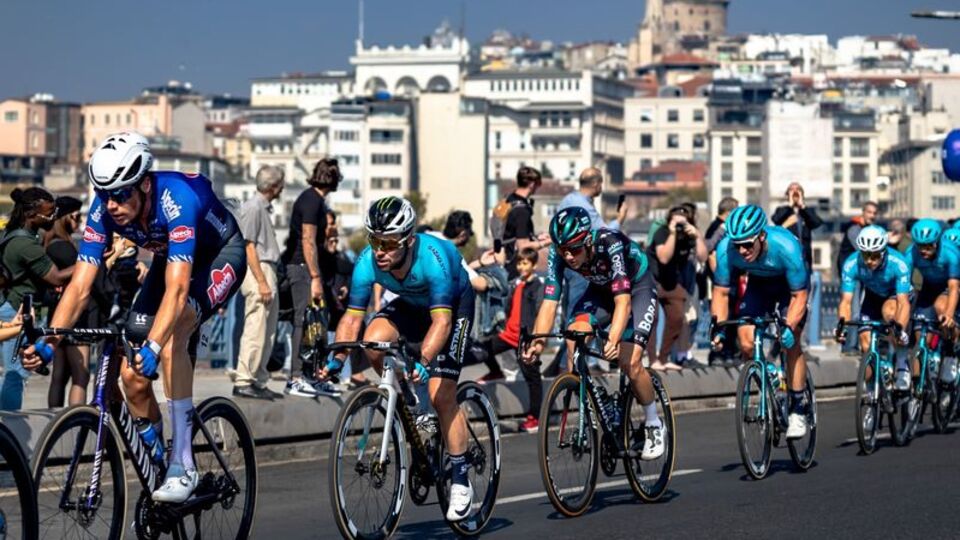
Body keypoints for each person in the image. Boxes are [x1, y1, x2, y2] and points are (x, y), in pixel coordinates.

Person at [22, 131, 246, 504]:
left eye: (120, 194)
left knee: (172, 338)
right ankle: (157, 459)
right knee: (132, 378)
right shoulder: (104, 208)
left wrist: (155, 346)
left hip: (220, 255)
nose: (111, 204)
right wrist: (51, 340)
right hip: (170, 259)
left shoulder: (176, 199)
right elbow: (79, 286)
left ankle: (183, 464)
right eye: (103, 193)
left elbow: (178, 292)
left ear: (143, 184)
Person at [317, 197, 476, 522]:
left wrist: (424, 360)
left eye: (389, 243)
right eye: (375, 241)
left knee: (441, 395)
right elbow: (353, 317)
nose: (380, 250)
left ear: (409, 240)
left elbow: (442, 323)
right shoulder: (368, 261)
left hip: (453, 307)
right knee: (373, 341)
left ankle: (461, 479)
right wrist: (338, 358)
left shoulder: (432, 258)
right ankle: (406, 399)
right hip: (412, 305)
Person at [523, 206, 665, 460]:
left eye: (574, 249)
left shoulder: (610, 243)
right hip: (601, 291)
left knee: (630, 362)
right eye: (563, 249)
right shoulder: (559, 252)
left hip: (636, 289)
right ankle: (591, 408)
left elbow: (623, 302)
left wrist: (613, 338)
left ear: (588, 240)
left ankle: (654, 423)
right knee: (572, 338)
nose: (568, 256)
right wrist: (538, 343)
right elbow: (549, 303)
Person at [710, 204, 812, 438]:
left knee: (790, 340)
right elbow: (721, 293)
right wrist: (719, 328)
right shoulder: (726, 249)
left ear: (762, 236)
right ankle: (770, 374)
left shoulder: (786, 247)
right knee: (746, 342)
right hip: (758, 285)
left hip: (790, 288)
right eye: (738, 245)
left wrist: (789, 327)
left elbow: (799, 296)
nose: (742, 250)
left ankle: (798, 408)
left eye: (748, 244)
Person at [0, 187, 74, 410]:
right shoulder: (25, 245)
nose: (53, 217)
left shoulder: (19, 235)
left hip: (21, 309)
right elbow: (56, 277)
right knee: (15, 374)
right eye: (49, 213)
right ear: (32, 214)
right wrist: (89, 263)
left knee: (20, 371)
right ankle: (9, 423)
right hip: (16, 311)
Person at [281, 158, 340, 398]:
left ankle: (313, 376)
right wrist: (315, 276)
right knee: (303, 321)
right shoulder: (311, 201)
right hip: (302, 267)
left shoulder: (316, 200)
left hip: (309, 268)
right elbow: (307, 239)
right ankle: (295, 378)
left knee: (317, 324)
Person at [472, 247, 544, 432]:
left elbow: (540, 312)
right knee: (482, 347)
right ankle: (496, 371)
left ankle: (535, 417)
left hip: (525, 339)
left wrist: (536, 339)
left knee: (532, 377)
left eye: (525, 263)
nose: (521, 267)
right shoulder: (515, 285)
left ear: (534, 265)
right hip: (508, 334)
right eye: (519, 263)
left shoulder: (538, 286)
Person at [43, 196, 104, 407]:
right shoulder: (63, 247)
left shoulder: (52, 244)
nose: (79, 222)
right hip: (74, 316)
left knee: (59, 375)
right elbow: (83, 275)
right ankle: (76, 418)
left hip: (57, 314)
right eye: (76, 217)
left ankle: (55, 418)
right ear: (65, 218)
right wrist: (98, 260)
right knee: (81, 376)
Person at [835, 225, 913, 391]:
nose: (869, 261)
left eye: (875, 255)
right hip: (873, 296)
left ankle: (901, 363)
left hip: (896, 295)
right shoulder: (851, 264)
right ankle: (872, 393)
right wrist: (842, 326)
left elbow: (904, 303)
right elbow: (846, 302)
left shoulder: (898, 263)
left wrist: (900, 329)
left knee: (889, 313)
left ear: (883, 252)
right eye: (865, 255)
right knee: (865, 342)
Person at [234, 165, 285, 400]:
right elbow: (249, 246)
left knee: (267, 329)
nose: (282, 188)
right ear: (273, 186)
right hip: (259, 270)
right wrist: (262, 281)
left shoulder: (260, 207)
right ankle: (245, 379)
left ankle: (258, 379)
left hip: (265, 269)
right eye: (280, 184)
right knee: (256, 327)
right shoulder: (254, 208)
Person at [646, 205, 707, 371]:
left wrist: (697, 236)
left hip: (671, 281)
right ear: (669, 221)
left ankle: (663, 358)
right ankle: (653, 360)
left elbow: (703, 257)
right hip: (650, 279)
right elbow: (664, 258)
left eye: (683, 222)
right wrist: (673, 233)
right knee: (651, 319)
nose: (680, 226)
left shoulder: (690, 236)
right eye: (676, 221)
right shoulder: (662, 232)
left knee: (677, 318)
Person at [906, 219, 960, 383]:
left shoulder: (951, 253)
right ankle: (917, 386)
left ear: (937, 242)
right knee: (921, 337)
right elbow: (904, 283)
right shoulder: (911, 253)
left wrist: (949, 315)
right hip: (928, 288)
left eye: (929, 246)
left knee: (942, 308)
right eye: (920, 246)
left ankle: (951, 352)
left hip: (949, 286)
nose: (924, 250)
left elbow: (953, 288)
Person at [705, 197, 739, 367]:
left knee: (732, 316)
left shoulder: (726, 227)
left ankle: (729, 351)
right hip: (721, 281)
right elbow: (709, 251)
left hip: (731, 280)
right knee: (721, 316)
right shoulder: (717, 227)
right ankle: (717, 353)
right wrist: (719, 275)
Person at [502, 166, 551, 280]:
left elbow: (512, 233)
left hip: (503, 262)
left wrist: (536, 238)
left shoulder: (509, 200)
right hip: (514, 269)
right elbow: (523, 246)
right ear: (532, 184)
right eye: (538, 184)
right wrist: (548, 242)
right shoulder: (521, 211)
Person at [772, 183, 823, 273]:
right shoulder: (782, 210)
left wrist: (802, 206)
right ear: (787, 194)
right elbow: (775, 220)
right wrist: (790, 206)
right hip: (787, 254)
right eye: (792, 190)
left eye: (798, 190)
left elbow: (817, 223)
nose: (795, 192)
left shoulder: (807, 211)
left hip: (804, 256)